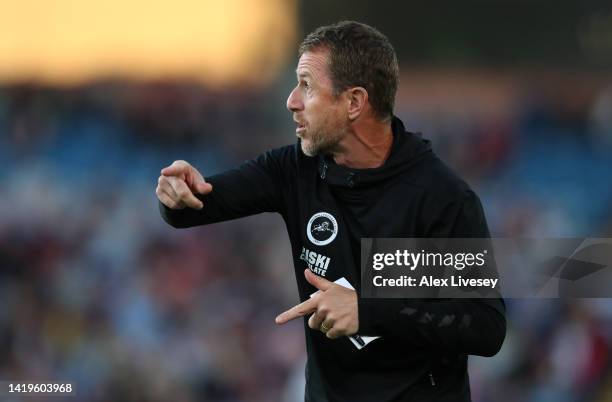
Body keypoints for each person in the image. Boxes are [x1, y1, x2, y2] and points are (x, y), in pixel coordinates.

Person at [156, 20, 506, 402]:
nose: (291, 100)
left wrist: (367, 312)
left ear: (354, 102)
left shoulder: (440, 197)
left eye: (306, 85)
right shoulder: (294, 170)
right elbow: (193, 208)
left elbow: (485, 327)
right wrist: (175, 194)